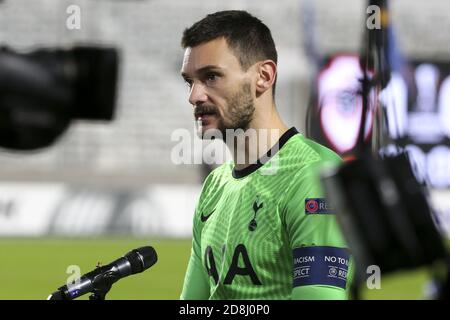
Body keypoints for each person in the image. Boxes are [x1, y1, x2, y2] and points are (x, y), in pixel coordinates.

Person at [179, 10, 353, 300]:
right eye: (190, 81)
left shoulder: (314, 174)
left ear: (263, 76)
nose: (194, 96)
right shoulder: (214, 187)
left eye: (211, 76)